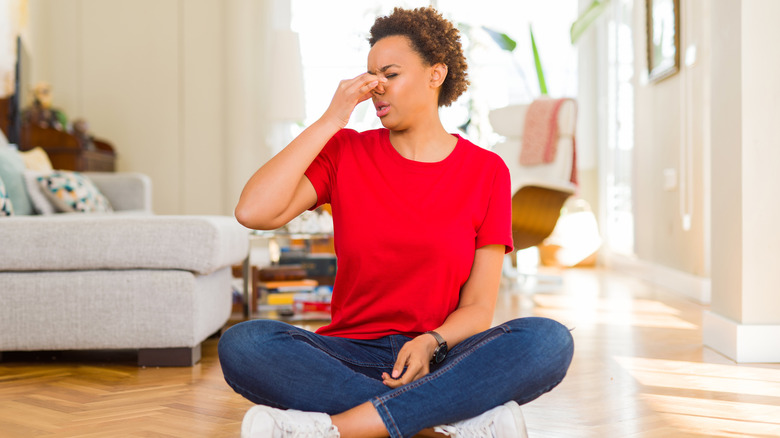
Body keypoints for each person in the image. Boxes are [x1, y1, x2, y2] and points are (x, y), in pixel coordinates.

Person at [219, 6, 574, 438]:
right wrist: (333, 119)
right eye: (371, 77)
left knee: (549, 340)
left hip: (441, 357)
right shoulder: (346, 152)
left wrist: (431, 341)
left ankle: (336, 429)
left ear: (435, 74)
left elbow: (479, 307)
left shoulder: (486, 171)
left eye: (390, 73)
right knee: (245, 345)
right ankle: (440, 425)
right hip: (348, 352)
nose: (377, 89)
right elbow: (253, 211)